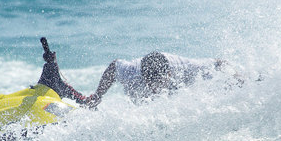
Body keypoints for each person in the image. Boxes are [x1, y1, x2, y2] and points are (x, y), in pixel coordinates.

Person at [84, 51, 240, 108]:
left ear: (169, 75)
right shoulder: (131, 71)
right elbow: (113, 67)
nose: (153, 89)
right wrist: (98, 95)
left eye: (157, 84)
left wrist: (239, 77)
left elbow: (220, 63)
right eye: (149, 83)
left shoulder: (187, 68)